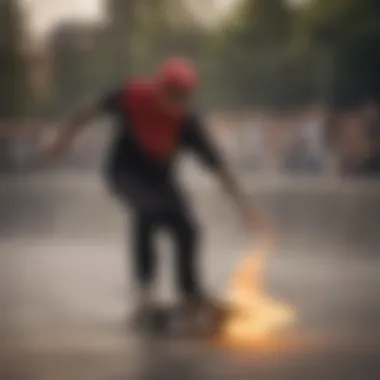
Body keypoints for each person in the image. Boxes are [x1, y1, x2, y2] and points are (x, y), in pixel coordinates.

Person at [44, 57, 269, 318]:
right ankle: (145, 293)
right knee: (147, 213)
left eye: (183, 97)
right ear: (159, 88)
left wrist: (245, 208)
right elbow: (90, 109)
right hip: (125, 171)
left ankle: (190, 293)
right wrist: (63, 139)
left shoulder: (187, 122)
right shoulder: (133, 96)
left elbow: (218, 167)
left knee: (188, 229)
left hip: (160, 178)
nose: (176, 103)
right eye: (172, 95)